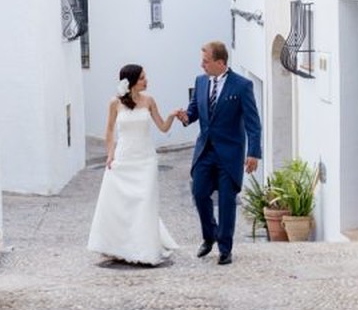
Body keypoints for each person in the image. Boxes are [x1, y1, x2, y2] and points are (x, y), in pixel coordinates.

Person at [173, 41, 262, 265]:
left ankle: (225, 248)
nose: (201, 65)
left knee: (226, 201)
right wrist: (185, 117)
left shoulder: (242, 86)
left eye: (206, 61)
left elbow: (253, 123)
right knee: (200, 194)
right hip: (205, 152)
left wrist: (253, 153)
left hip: (230, 154)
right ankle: (209, 234)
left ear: (220, 62)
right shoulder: (201, 81)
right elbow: (194, 112)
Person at [87, 64, 179, 265]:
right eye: (142, 78)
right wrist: (110, 154)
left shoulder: (149, 101)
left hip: (146, 159)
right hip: (124, 158)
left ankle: (144, 249)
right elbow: (110, 130)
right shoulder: (115, 103)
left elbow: (162, 127)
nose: (146, 81)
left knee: (144, 202)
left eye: (145, 77)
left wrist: (172, 116)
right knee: (122, 203)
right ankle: (120, 246)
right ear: (130, 82)